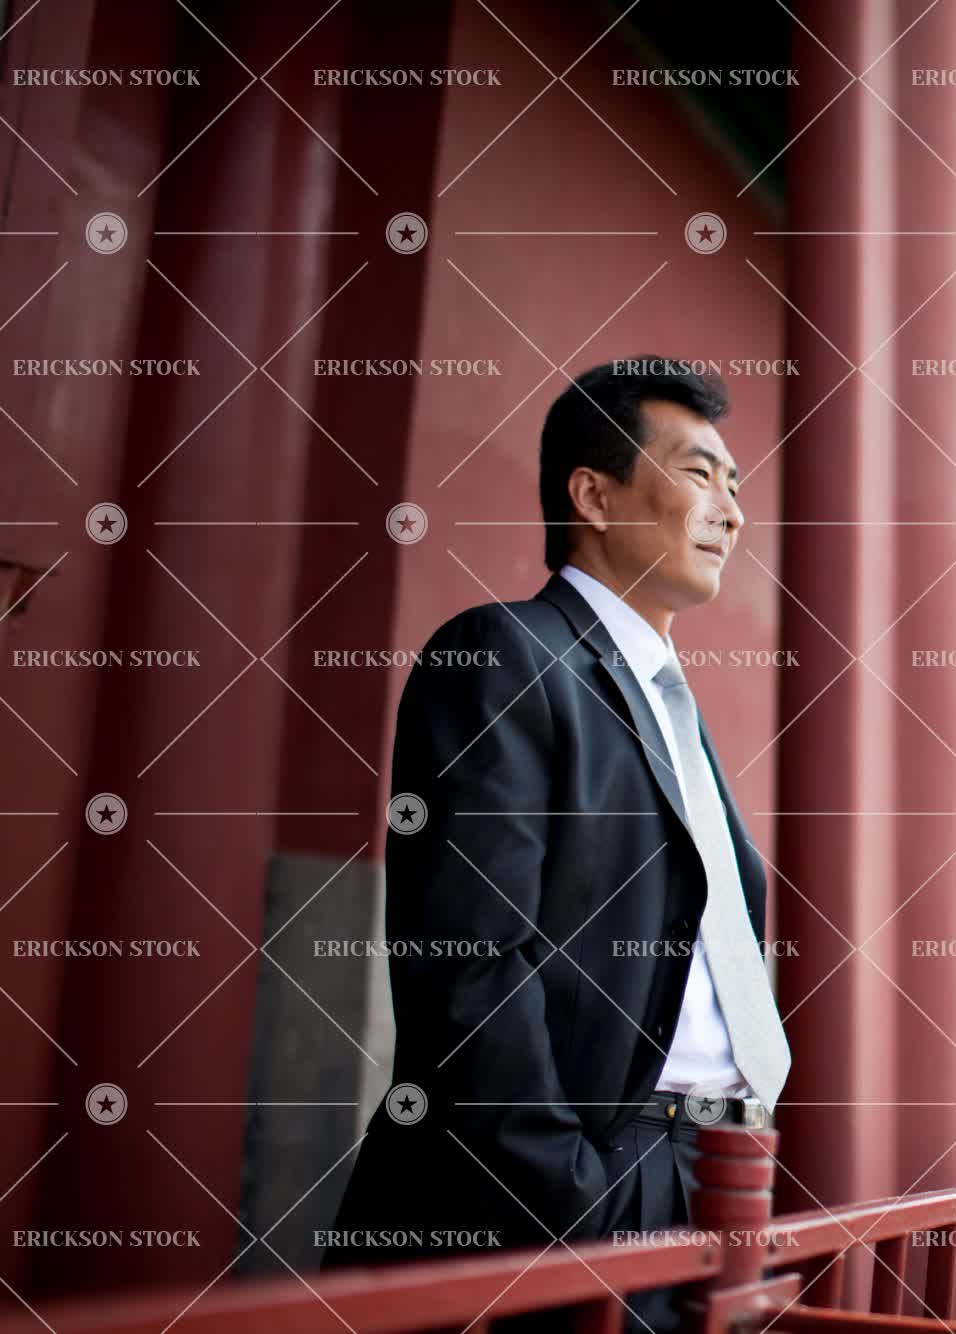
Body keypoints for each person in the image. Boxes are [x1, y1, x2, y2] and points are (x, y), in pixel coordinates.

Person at [323, 360, 790, 1333]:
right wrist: (572, 1200)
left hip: (701, 1179)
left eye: (735, 483)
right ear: (594, 494)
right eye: (698, 472)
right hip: (557, 1200)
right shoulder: (506, 655)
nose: (730, 511)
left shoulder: (672, 705)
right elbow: (469, 962)